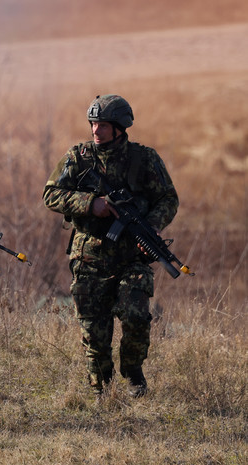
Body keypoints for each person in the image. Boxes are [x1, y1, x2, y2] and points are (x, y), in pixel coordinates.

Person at [43, 94, 179, 397]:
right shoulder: (77, 158)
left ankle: (132, 373)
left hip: (132, 257)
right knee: (93, 329)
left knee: (135, 316)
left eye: (102, 125)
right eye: (93, 124)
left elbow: (168, 198)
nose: (95, 130)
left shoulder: (144, 159)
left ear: (119, 127)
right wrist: (91, 203)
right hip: (89, 256)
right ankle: (101, 385)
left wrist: (153, 226)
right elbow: (51, 195)